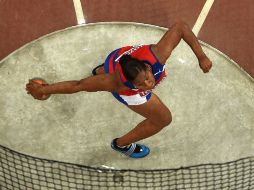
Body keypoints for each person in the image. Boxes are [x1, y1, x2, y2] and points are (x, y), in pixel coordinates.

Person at [26, 21, 212, 158]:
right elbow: (78, 85)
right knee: (164, 119)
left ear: (148, 67)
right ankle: (121, 144)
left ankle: (100, 70)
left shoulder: (158, 54)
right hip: (117, 76)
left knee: (105, 70)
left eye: (147, 78)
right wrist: (45, 90)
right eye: (141, 84)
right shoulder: (116, 84)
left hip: (114, 59)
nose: (149, 85)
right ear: (132, 85)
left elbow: (180, 27)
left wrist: (201, 57)